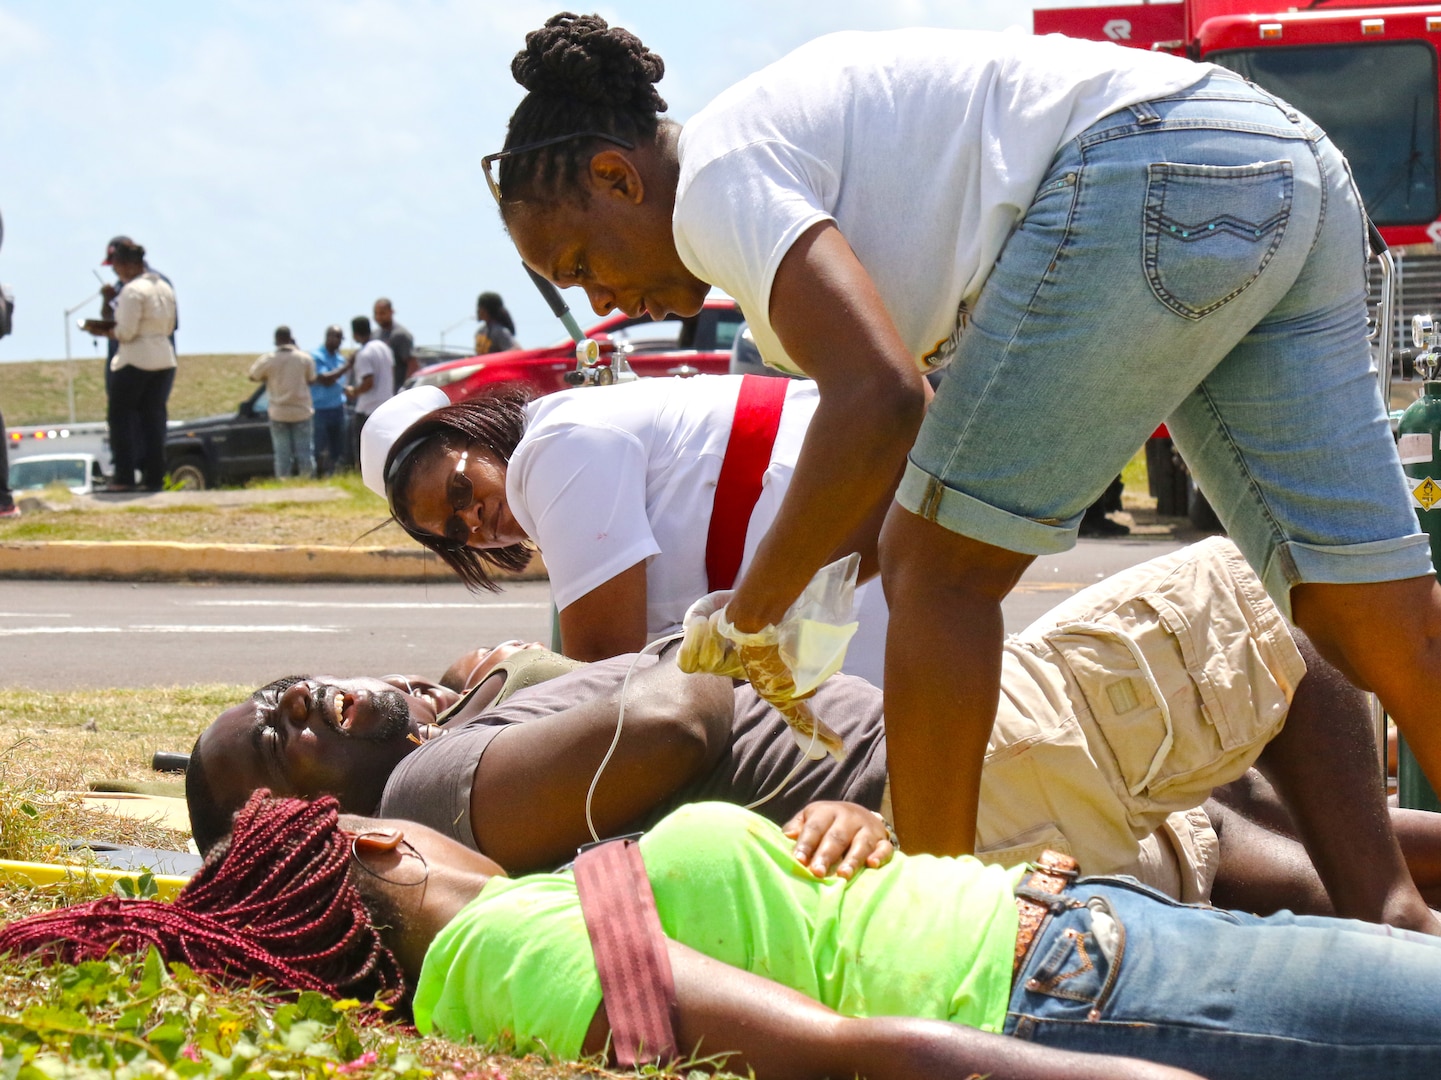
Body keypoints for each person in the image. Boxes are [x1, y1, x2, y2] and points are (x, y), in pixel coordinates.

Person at [486, 13, 1441, 858]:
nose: (603, 301)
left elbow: (881, 403)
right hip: (1273, 150)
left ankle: (933, 912)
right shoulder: (772, 168)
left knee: (937, 575)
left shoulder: (714, 185)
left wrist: (747, 620)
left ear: (616, 177)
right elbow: (924, 448)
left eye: (581, 264)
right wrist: (806, 593)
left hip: (1148, 164)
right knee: (1363, 605)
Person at [184, 538, 1439, 932]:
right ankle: (1391, 915)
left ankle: (1384, 908)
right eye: (272, 744)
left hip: (977, 810)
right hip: (954, 788)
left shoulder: (455, 739)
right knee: (1272, 600)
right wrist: (702, 646)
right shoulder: (435, 786)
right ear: (314, 822)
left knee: (1296, 853)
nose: (290, 704)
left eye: (278, 690)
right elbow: (681, 718)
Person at [18, 790, 1441, 1080]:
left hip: (1090, 952)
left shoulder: (520, 925)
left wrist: (847, 825)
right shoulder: (508, 962)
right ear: (381, 843)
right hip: (1086, 1001)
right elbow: (840, 1049)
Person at [359, 375, 890, 684]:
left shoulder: (554, 447)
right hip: (831, 570)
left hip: (848, 523)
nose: (472, 519)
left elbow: (602, 675)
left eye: (459, 490)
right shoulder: (549, 466)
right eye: (455, 530)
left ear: (474, 432)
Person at [101, 239, 176, 492]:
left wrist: (108, 332)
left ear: (124, 265)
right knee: (153, 420)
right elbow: (170, 326)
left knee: (120, 417)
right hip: (164, 357)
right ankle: (154, 476)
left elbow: (126, 332)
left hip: (135, 359)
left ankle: (124, 475)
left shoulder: (132, 291)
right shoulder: (164, 287)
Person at [248, 326, 317, 479]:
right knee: (305, 453)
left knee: (282, 454)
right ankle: (308, 482)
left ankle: (284, 484)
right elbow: (312, 379)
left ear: (276, 340)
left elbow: (253, 375)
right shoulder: (304, 358)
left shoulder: (269, 359)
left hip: (278, 412)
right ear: (291, 338)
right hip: (301, 411)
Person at [345, 316, 394, 470]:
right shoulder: (383, 347)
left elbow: (368, 381)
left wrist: (354, 391)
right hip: (386, 405)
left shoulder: (363, 354)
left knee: (364, 450)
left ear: (355, 334)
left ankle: (364, 474)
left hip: (368, 409)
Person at [309, 325, 350, 475]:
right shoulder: (316, 356)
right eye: (333, 336)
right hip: (320, 409)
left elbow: (340, 383)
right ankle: (316, 475)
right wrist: (346, 367)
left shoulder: (340, 359)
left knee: (337, 448)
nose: (336, 340)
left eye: (339, 337)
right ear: (326, 337)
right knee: (318, 447)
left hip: (338, 407)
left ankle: (332, 475)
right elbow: (325, 379)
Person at [373, 298, 414, 391]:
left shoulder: (400, 335)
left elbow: (412, 364)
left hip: (396, 390)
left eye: (382, 313)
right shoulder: (375, 335)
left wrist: (406, 388)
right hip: (379, 392)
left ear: (391, 312)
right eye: (376, 313)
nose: (379, 317)